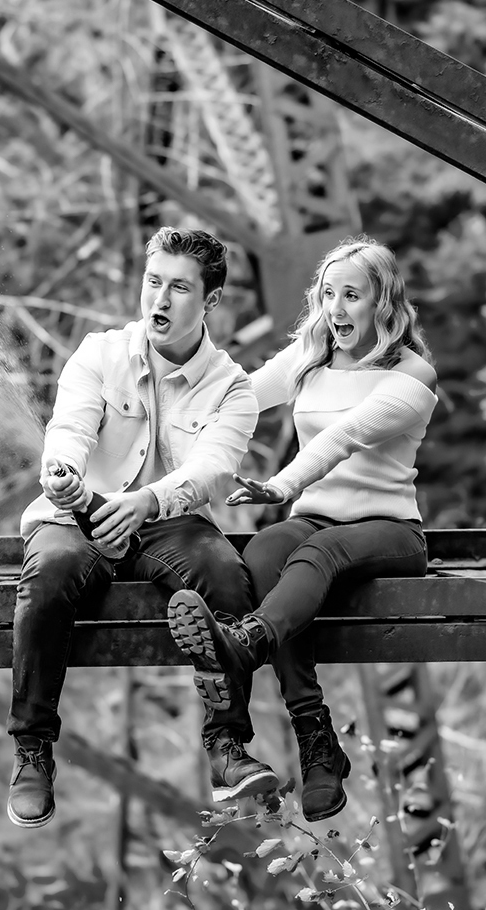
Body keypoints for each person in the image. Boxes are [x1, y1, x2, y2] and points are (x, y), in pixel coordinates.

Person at [8, 226, 280, 829]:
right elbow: (71, 427)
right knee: (48, 573)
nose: (159, 299)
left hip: (169, 523)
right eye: (153, 282)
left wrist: (146, 503)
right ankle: (32, 750)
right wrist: (64, 475)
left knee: (226, 576)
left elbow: (211, 474)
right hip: (78, 514)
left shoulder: (233, 387)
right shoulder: (98, 353)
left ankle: (227, 746)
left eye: (179, 288)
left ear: (209, 302)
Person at [168, 235, 438, 822]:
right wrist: (171, 394)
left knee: (319, 552)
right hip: (316, 517)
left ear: (383, 304)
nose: (337, 309)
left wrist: (282, 486)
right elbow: (242, 391)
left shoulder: (412, 375)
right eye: (328, 294)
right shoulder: (311, 355)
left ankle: (243, 646)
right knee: (265, 553)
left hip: (389, 529)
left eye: (353, 296)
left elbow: (344, 436)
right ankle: (317, 739)